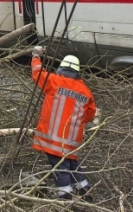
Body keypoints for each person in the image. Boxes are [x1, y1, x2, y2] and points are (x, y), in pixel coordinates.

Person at [30, 47, 96, 201]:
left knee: (61, 167)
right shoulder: (85, 91)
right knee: (71, 164)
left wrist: (35, 57)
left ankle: (65, 198)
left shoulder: (53, 81)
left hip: (53, 139)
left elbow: (37, 73)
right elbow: (90, 115)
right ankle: (85, 191)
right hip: (72, 142)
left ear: (62, 68)